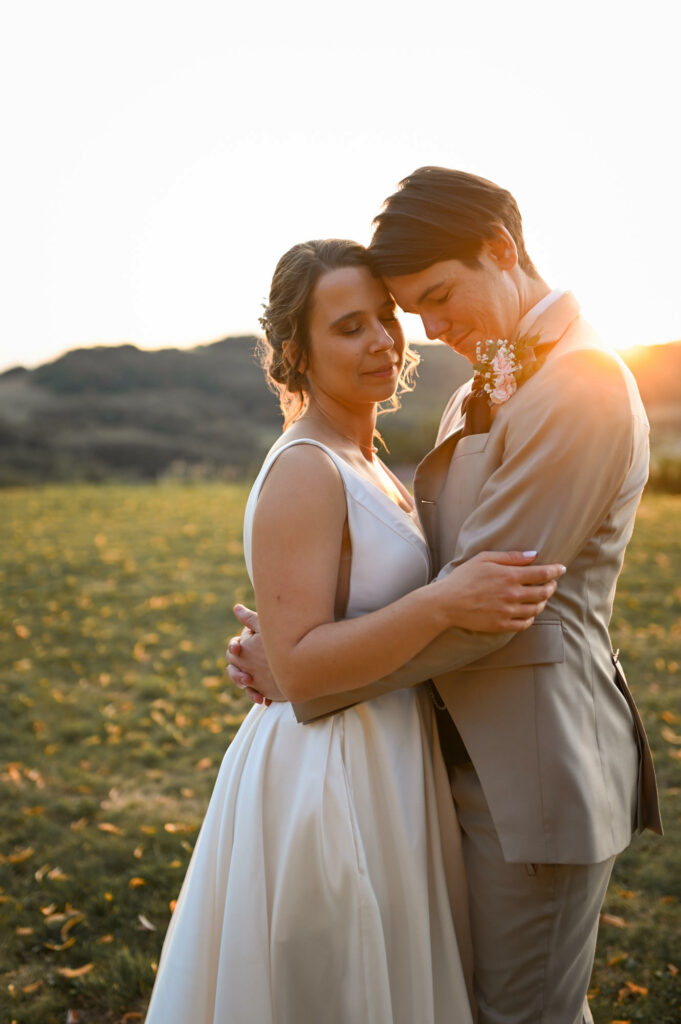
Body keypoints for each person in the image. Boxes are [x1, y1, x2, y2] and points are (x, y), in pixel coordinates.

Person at [227, 170, 663, 1024]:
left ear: (500, 249)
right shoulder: (481, 383)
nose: (424, 331)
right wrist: (305, 644)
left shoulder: (582, 385)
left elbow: (487, 607)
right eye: (404, 309)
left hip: (531, 763)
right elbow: (443, 581)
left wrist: (306, 673)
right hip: (437, 765)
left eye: (432, 298)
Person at [144, 238, 564, 1024]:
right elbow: (300, 670)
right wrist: (444, 601)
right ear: (295, 350)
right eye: (348, 327)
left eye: (384, 319)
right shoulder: (306, 468)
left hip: (388, 757)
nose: (381, 341)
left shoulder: (362, 458)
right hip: (330, 774)